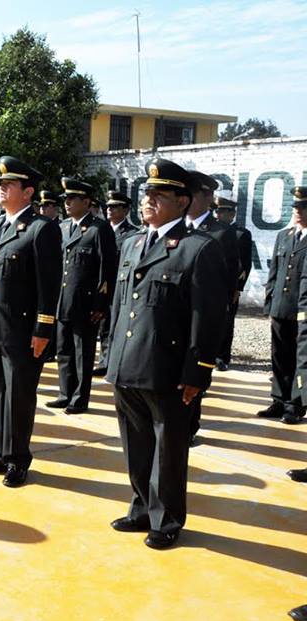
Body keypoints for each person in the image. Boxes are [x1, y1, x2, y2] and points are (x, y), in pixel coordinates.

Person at [106, 158, 227, 549]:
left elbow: (207, 318)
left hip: (168, 368)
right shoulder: (132, 244)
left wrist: (198, 372)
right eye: (147, 193)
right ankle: (142, 507)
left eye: (159, 195)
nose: (149, 200)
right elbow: (120, 306)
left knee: (168, 449)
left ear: (182, 202)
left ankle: (167, 519)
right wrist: (111, 354)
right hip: (127, 363)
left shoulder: (197, 250)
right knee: (135, 445)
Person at [0, 156, 61, 486]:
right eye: (1, 184)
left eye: (9, 184)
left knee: (19, 394)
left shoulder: (41, 229)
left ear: (28, 191)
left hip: (23, 330)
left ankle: (18, 458)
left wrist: (43, 328)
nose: (2, 189)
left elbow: (48, 285)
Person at [45, 177, 117, 414]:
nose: (67, 203)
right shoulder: (64, 227)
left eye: (72, 198)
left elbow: (107, 269)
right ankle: (65, 393)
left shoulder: (99, 229)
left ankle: (79, 398)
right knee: (63, 350)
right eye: (66, 199)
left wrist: (100, 304)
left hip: (85, 303)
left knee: (82, 353)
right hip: (63, 299)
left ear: (86, 202)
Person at [184, 170, 240, 441]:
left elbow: (229, 277)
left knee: (194, 369)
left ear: (208, 198)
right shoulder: (176, 226)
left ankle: (189, 427)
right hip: (174, 313)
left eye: (192, 194)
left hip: (201, 312)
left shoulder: (222, 233)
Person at [262, 186, 307, 423]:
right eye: (295, 207)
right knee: (279, 355)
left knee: (301, 359)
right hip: (281, 307)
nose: (298, 211)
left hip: (302, 311)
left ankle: (295, 405)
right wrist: (270, 303)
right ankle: (279, 400)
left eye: (303, 207)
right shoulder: (284, 236)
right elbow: (275, 273)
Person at [94, 190, 140, 376]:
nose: (109, 210)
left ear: (126, 210)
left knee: (116, 324)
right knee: (103, 325)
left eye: (115, 207)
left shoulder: (132, 234)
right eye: (108, 207)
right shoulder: (100, 229)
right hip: (103, 284)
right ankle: (104, 361)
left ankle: (112, 361)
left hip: (120, 286)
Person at [213, 196, 252, 370]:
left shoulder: (241, 234)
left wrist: (238, 288)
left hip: (229, 285)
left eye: (222, 211)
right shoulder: (212, 230)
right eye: (217, 211)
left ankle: (222, 357)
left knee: (226, 322)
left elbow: (245, 264)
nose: (218, 214)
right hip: (211, 283)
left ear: (232, 214)